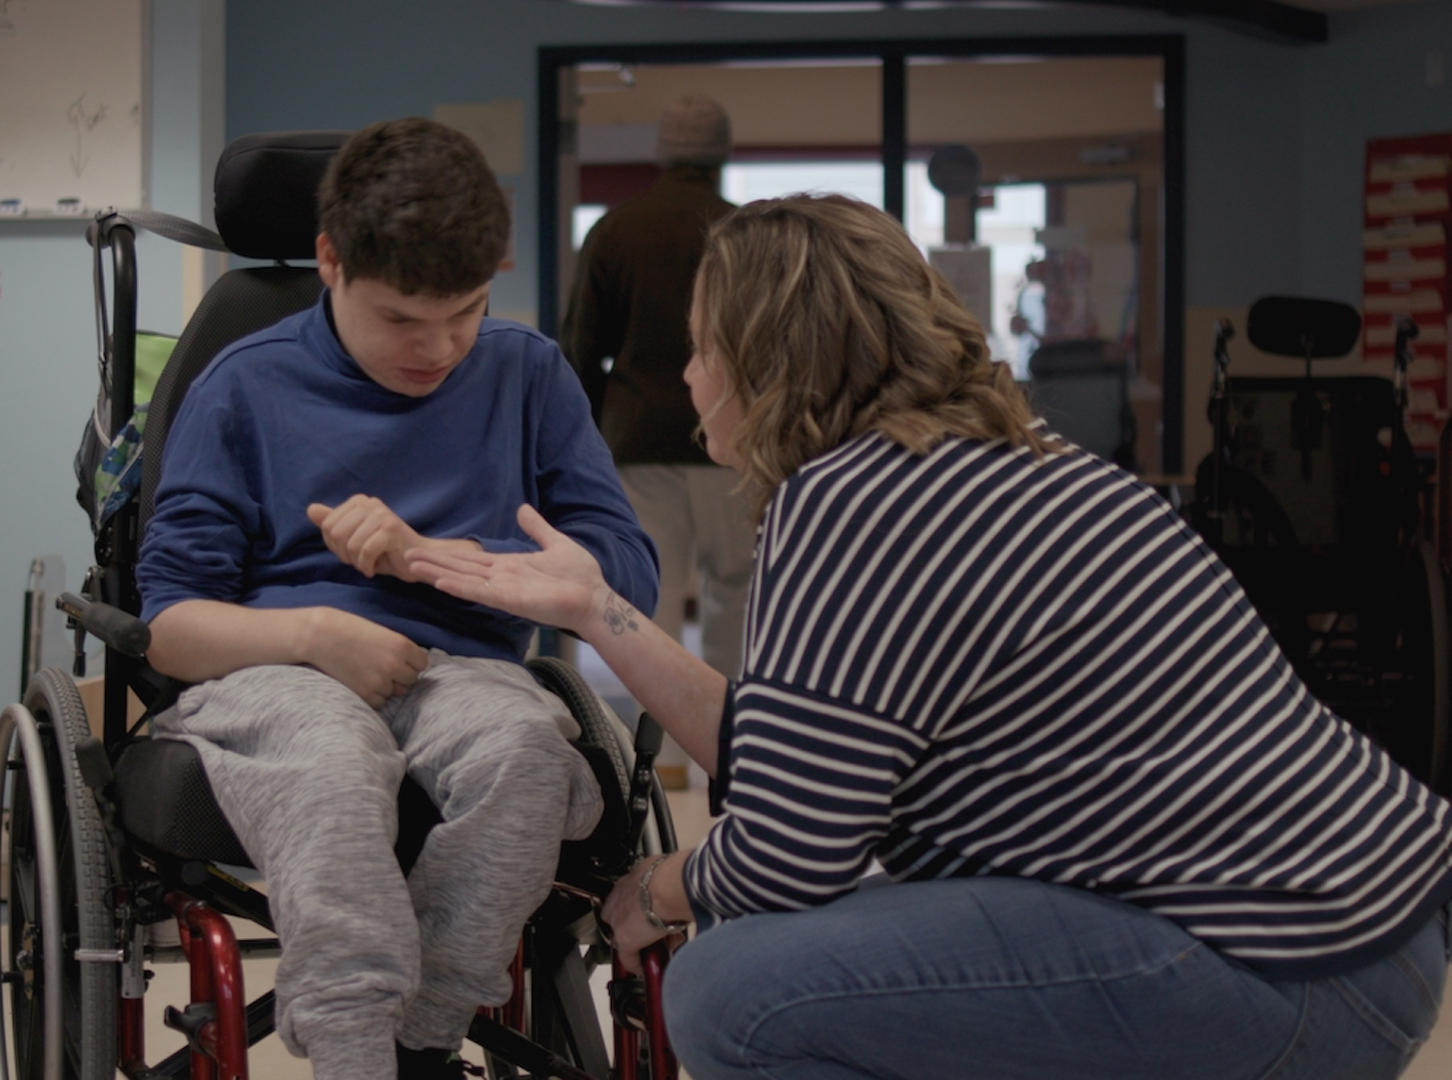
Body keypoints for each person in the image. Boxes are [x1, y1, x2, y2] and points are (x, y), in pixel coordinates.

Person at [410, 193, 1452, 1080]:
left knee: (734, 990)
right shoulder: (991, 457)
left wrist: (656, 888)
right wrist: (597, 607)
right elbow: (794, 757)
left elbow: (785, 854)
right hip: (1363, 930)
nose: (686, 375)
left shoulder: (850, 503)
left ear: (768, 357)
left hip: (1282, 966)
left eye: (703, 346)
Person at [135, 117, 659, 1080]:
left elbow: (624, 574)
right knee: (333, 768)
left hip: (464, 671)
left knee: (526, 757)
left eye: (466, 311)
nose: (441, 348)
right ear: (330, 262)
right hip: (274, 670)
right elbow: (170, 628)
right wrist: (314, 634)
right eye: (402, 320)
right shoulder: (241, 385)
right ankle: (353, 1054)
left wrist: (432, 559)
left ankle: (420, 1042)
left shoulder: (526, 372)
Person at [561, 93, 752, 787]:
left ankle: (665, 758)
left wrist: (578, 444)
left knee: (656, 596)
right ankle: (730, 747)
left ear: (663, 152)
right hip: (733, 435)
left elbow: (582, 348)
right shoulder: (742, 233)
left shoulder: (616, 229)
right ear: (721, 152)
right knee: (737, 590)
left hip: (638, 438)